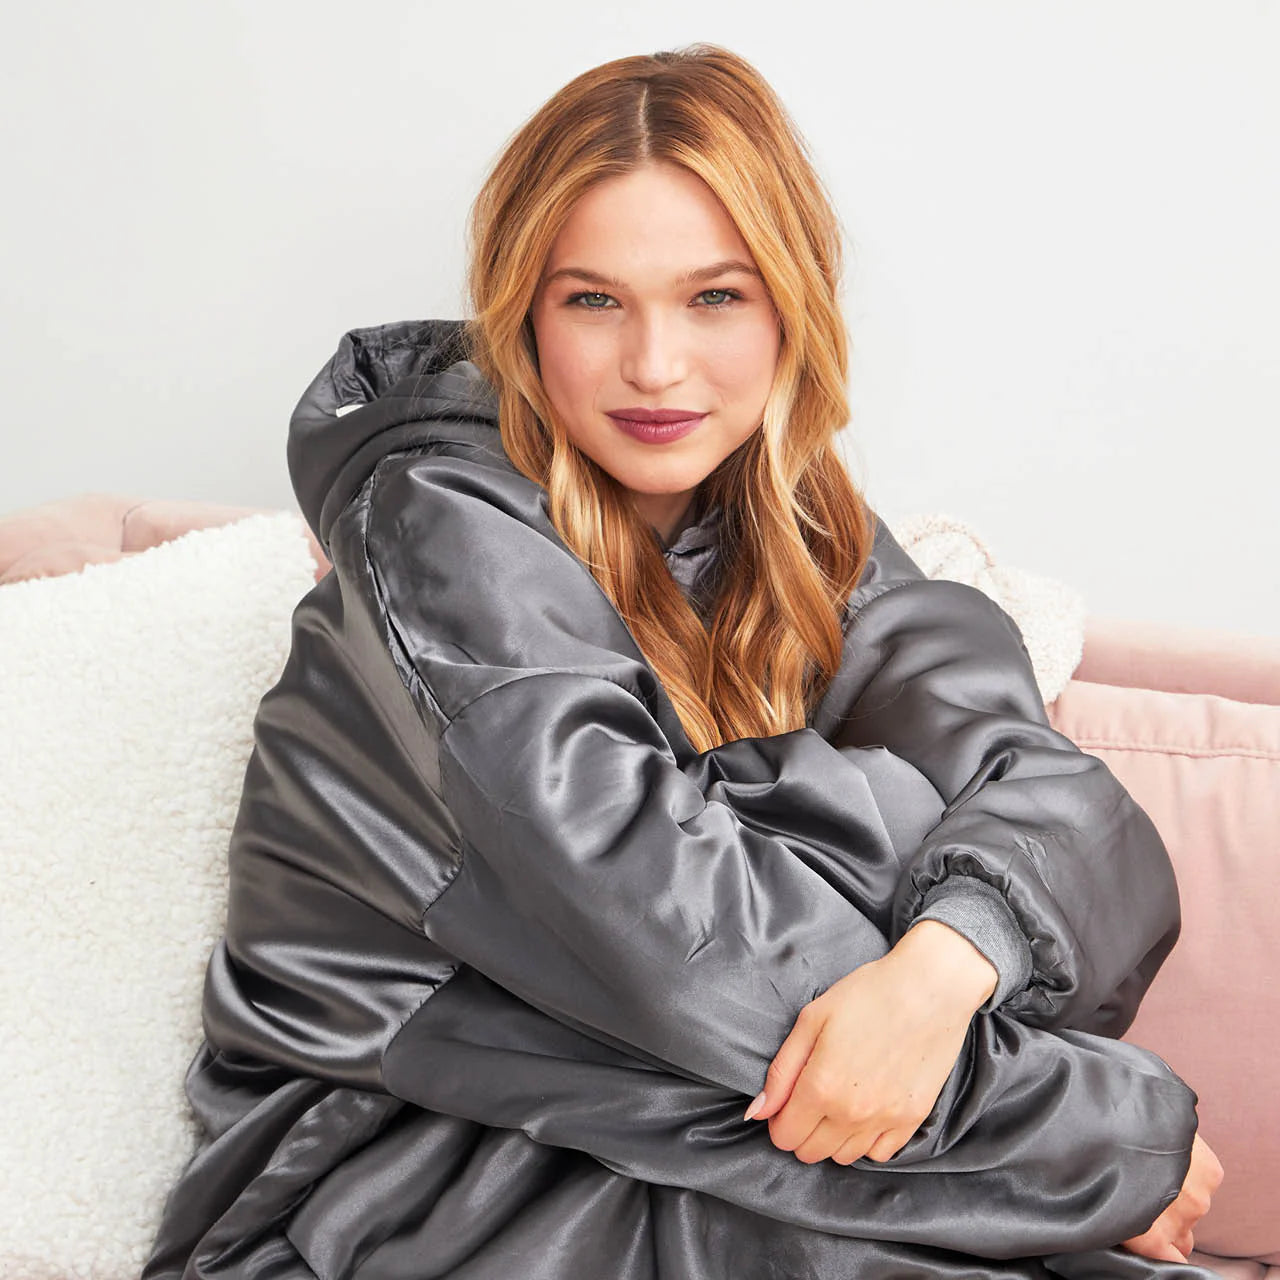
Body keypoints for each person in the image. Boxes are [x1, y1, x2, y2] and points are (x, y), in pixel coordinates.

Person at [143, 43, 1222, 1279]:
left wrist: (938, 964)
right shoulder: (437, 531)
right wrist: (1107, 1137)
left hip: (670, 1126)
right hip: (377, 1179)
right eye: (592, 300)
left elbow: (1065, 809)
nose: (654, 365)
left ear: (789, 306)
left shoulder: (803, 535)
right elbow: (686, 956)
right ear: (522, 313)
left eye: (713, 297)